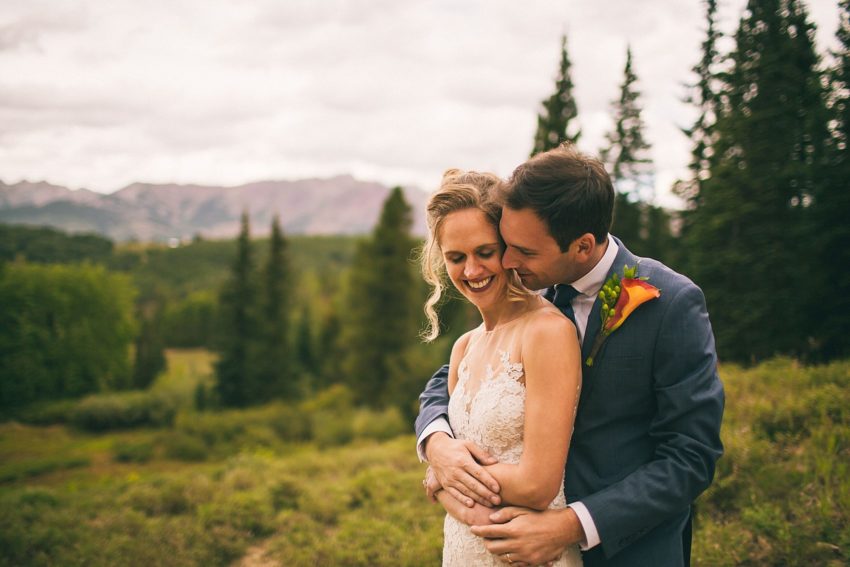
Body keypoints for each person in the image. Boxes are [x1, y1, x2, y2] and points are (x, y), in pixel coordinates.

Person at [415, 145, 724, 567]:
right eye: (507, 245)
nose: (508, 261)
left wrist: (572, 525)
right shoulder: (531, 284)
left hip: (629, 551)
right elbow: (457, 377)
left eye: (524, 251)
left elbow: (690, 458)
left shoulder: (670, 303)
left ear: (581, 246)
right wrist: (436, 444)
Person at [418, 169, 584, 566]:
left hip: (531, 555)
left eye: (485, 252)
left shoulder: (547, 332)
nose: (471, 271)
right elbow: (448, 462)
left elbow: (537, 485)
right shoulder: (464, 347)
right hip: (463, 550)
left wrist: (446, 478)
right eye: (456, 258)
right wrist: (440, 463)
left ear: (508, 247)